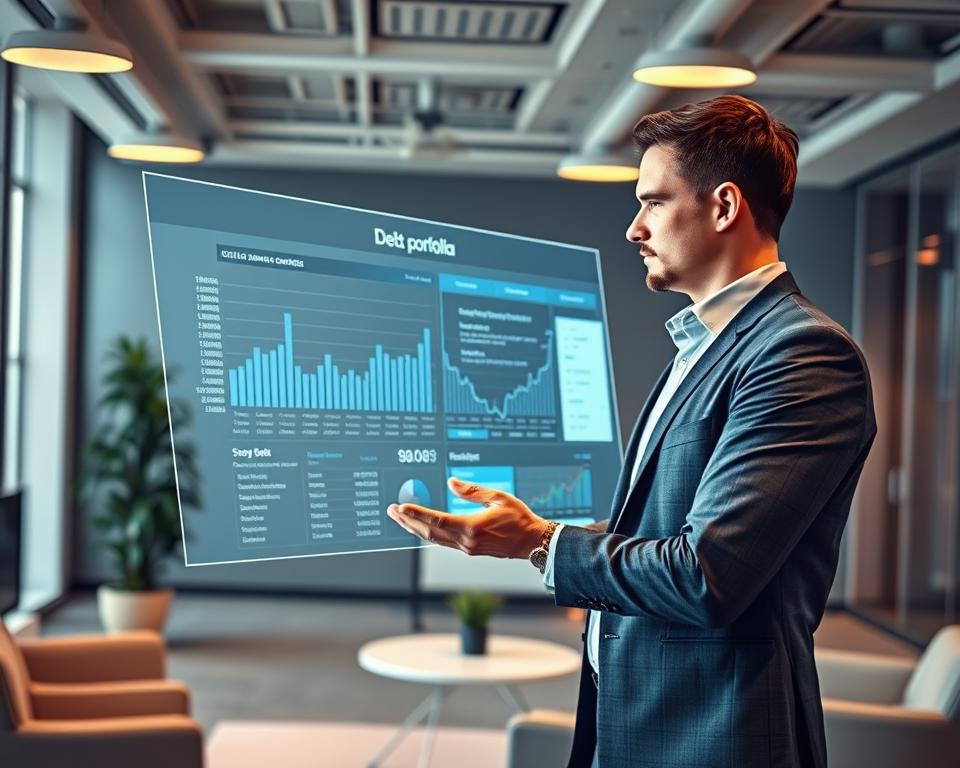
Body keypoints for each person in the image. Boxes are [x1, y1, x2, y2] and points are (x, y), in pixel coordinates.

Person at [388, 94, 876, 768]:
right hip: (634, 716)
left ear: (725, 206)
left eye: (652, 202)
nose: (633, 229)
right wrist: (538, 538)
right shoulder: (701, 348)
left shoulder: (801, 355)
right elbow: (656, 537)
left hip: (715, 737)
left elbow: (707, 575)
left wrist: (539, 542)